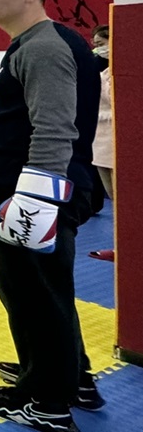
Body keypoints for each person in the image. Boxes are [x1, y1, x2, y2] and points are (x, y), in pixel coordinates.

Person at [0, 0, 104, 432]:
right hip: (34, 183)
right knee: (47, 288)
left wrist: (34, 202)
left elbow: (54, 128)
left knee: (29, 293)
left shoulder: (43, 47)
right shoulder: (42, 42)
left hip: (32, 187)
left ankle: (44, 401)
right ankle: (72, 377)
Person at [88, 25, 115, 262]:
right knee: (114, 199)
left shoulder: (123, 73)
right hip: (100, 138)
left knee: (127, 201)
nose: (98, 49)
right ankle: (120, 245)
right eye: (95, 45)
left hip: (118, 138)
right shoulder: (100, 71)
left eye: (102, 44)